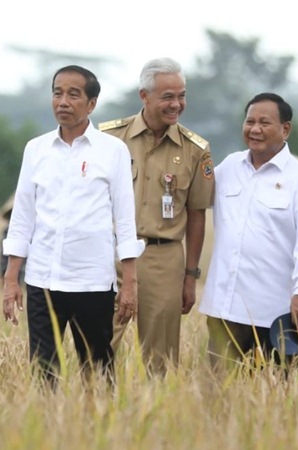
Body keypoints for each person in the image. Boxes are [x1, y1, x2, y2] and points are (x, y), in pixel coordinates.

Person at [2, 65, 144, 385]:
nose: (63, 101)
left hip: (92, 282)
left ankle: (98, 430)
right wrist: (12, 278)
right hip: (43, 279)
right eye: (57, 93)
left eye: (73, 94)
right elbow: (23, 216)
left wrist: (130, 283)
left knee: (97, 371)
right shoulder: (35, 149)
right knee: (43, 370)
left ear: (91, 104)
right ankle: (48, 429)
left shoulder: (113, 151)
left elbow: (124, 219)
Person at [99, 57, 215, 375]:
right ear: (144, 96)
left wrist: (190, 276)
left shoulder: (196, 149)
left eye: (181, 95)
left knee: (161, 361)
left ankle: (157, 417)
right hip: (110, 254)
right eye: (167, 96)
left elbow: (196, 215)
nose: (176, 104)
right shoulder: (108, 139)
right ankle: (91, 414)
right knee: (97, 347)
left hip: (163, 259)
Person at [199, 93, 298, 370]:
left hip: (276, 313)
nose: (254, 129)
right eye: (250, 121)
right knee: (217, 390)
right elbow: (196, 198)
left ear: (286, 129)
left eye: (264, 122)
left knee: (276, 394)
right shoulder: (230, 166)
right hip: (226, 307)